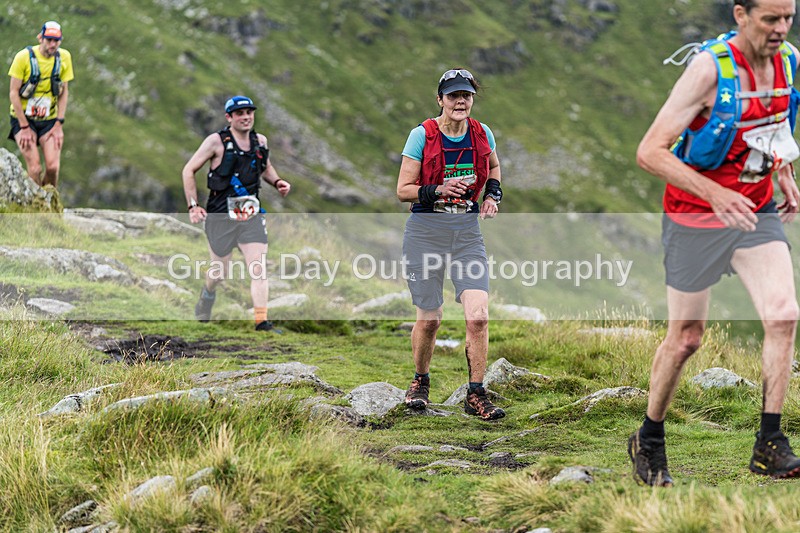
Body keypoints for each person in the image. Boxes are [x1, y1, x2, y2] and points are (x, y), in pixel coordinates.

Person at [633, 0, 800, 486]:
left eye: (788, 17)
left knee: (784, 313)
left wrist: (784, 172)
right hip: (694, 218)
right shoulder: (708, 70)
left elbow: (774, 120)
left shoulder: (789, 61)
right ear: (740, 15)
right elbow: (649, 151)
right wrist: (714, 193)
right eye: (771, 19)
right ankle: (650, 437)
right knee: (686, 339)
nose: (781, 28)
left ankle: (770, 442)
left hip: (753, 210)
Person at [396, 68, 505, 421]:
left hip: (466, 234)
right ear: (440, 99)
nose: (461, 101)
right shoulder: (421, 135)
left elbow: (494, 168)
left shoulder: (482, 133)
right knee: (430, 319)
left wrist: (492, 196)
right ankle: (420, 382)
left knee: (479, 316)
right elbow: (402, 190)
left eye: (467, 95)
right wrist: (438, 190)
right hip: (425, 232)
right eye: (454, 95)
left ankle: (475, 394)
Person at [182, 95, 291, 332]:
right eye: (239, 113)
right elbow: (188, 170)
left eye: (249, 112)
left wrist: (278, 181)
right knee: (220, 271)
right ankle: (207, 294)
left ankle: (262, 322)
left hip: (250, 215)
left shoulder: (260, 141)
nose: (246, 117)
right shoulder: (216, 142)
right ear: (229, 117)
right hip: (220, 214)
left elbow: (266, 168)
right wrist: (193, 206)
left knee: (258, 267)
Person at [7, 20, 74, 188]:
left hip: (49, 120)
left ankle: (50, 204)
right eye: (49, 40)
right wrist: (23, 127)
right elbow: (13, 93)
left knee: (52, 167)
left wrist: (59, 122)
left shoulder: (64, 57)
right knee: (35, 168)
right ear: (40, 38)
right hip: (24, 119)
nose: (52, 44)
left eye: (56, 41)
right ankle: (36, 210)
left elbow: (64, 91)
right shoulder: (23, 57)